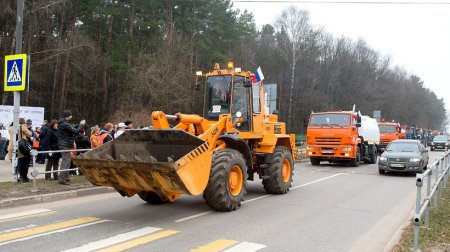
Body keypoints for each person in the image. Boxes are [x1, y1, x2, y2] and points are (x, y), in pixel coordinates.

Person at [57, 110, 85, 185]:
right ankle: (62, 179)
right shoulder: (64, 124)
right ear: (68, 116)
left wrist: (78, 125)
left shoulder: (63, 123)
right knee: (65, 162)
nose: (71, 116)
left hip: (65, 144)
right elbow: (75, 131)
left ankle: (66, 177)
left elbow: (72, 127)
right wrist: (81, 125)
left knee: (67, 161)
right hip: (65, 144)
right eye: (71, 115)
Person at [8, 118, 32, 183]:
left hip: (11, 147)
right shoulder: (22, 126)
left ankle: (15, 178)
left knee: (14, 164)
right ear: (23, 122)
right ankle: (23, 178)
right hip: (20, 146)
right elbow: (30, 134)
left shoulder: (10, 128)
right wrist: (25, 126)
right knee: (24, 163)